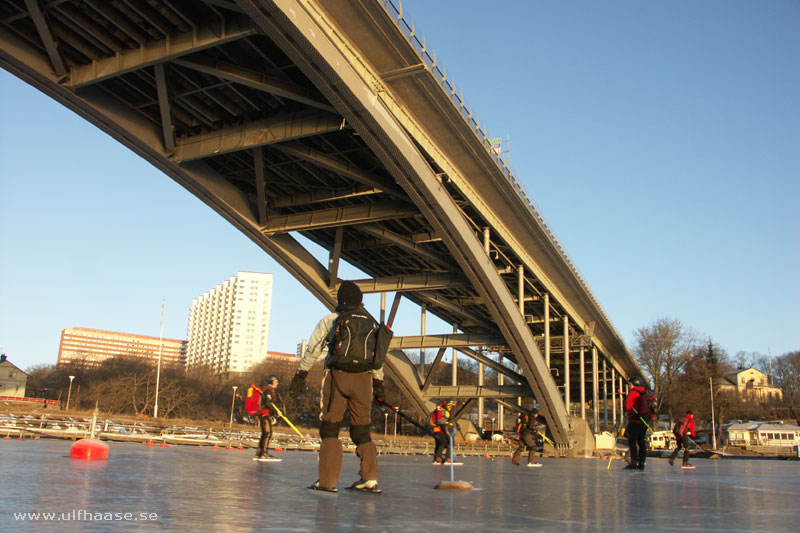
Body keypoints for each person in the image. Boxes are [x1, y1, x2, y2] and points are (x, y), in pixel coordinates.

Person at [288, 281, 383, 493]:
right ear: (360, 301)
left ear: (340, 300)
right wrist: (378, 384)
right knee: (362, 430)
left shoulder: (331, 320)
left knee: (330, 427)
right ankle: (370, 479)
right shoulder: (372, 323)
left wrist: (300, 376)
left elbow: (313, 349)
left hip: (337, 377)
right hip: (364, 381)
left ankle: (328, 482)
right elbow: (378, 358)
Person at [623, 376, 655, 471]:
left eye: (630, 384)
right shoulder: (645, 393)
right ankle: (642, 462)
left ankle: (634, 462)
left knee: (632, 441)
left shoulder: (633, 393)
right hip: (644, 421)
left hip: (635, 420)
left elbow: (628, 407)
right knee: (641, 442)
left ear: (634, 384)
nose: (629, 386)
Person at [245, 375, 280, 461]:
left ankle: (260, 452)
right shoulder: (268, 390)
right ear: (272, 381)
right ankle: (263, 453)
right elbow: (268, 403)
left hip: (265, 414)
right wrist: (276, 411)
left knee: (265, 433)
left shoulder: (268, 390)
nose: (277, 383)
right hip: (264, 414)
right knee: (267, 433)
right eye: (276, 381)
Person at [429, 400, 457, 464]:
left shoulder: (439, 411)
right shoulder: (440, 411)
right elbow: (441, 420)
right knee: (445, 442)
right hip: (438, 429)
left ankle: (437, 458)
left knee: (440, 443)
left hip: (438, 429)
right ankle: (445, 458)